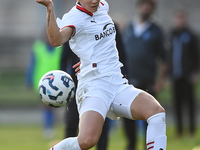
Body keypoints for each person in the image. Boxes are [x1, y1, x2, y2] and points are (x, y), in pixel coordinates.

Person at [36, 0, 167, 150]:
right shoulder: (74, 18)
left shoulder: (102, 6)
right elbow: (56, 40)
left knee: (156, 112)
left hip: (117, 84)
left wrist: (88, 59)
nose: (94, 1)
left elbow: (97, 40)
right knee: (87, 140)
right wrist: (50, 8)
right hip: (94, 88)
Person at [61, 22, 126, 150]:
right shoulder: (73, 24)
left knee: (101, 124)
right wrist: (63, 83)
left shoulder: (110, 25)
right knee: (72, 121)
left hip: (103, 84)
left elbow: (122, 55)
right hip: (77, 85)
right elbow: (64, 58)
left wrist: (122, 77)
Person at [122, 0, 167, 149]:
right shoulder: (128, 28)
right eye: (144, 5)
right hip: (128, 81)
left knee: (150, 117)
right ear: (138, 7)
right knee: (127, 116)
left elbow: (164, 58)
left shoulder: (156, 30)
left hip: (148, 82)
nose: (146, 9)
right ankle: (131, 145)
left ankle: (149, 146)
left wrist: (160, 79)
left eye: (149, 7)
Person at [168, 9, 199, 137]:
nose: (179, 21)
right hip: (175, 75)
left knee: (190, 103)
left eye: (182, 18)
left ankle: (191, 130)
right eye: (178, 18)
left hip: (187, 75)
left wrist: (195, 72)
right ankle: (179, 130)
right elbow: (168, 55)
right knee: (177, 104)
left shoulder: (191, 35)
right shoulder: (172, 34)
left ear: (185, 20)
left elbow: (196, 55)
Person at [26, 31, 63, 139]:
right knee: (47, 107)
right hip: (42, 83)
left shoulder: (60, 48)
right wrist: (29, 81)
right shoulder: (38, 48)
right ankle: (48, 128)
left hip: (59, 83)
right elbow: (32, 65)